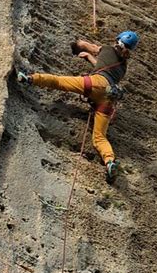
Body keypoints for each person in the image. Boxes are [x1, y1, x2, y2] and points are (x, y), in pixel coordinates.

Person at [17, 30, 139, 184]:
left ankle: (29, 78)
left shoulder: (108, 49)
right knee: (100, 137)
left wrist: (79, 45)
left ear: (118, 39)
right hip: (108, 98)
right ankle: (110, 162)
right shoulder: (123, 68)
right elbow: (103, 66)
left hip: (95, 83)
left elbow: (92, 47)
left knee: (59, 82)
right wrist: (89, 58)